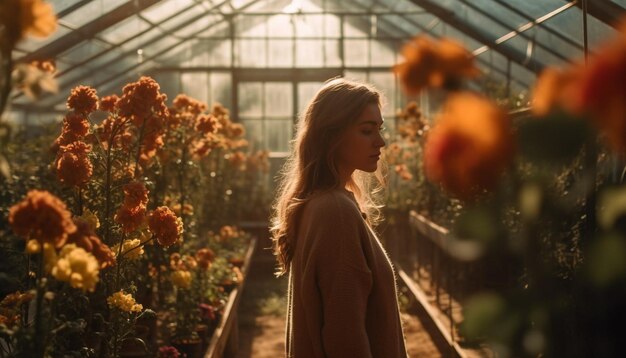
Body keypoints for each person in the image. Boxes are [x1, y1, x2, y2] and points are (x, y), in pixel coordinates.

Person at [270, 77, 408, 358]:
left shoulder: (322, 202)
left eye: (379, 129)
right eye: (367, 131)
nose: (380, 142)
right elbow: (346, 337)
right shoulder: (335, 212)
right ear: (332, 135)